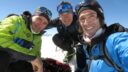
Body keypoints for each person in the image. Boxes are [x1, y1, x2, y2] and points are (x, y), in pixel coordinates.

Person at [75, 0, 128, 72]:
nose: (87, 22)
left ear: (100, 18)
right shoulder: (85, 45)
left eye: (91, 16)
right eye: (82, 18)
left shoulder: (113, 40)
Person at [0, 6, 52, 72]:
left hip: (14, 62)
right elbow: (1, 39)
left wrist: (38, 66)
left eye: (45, 23)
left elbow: (36, 54)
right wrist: (32, 58)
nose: (40, 24)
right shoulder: (15, 20)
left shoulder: (37, 37)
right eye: (39, 19)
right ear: (32, 16)